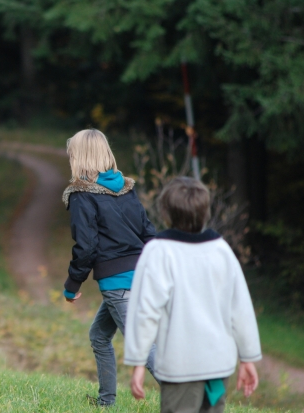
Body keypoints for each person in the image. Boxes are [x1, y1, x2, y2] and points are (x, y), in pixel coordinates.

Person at [125, 176, 261, 412]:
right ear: (206, 212)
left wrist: (137, 361)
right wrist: (247, 357)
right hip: (218, 365)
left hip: (180, 368)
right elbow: (240, 308)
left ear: (165, 212)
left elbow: (144, 311)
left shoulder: (158, 251)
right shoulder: (221, 250)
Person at [62, 129, 159, 406]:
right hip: (140, 276)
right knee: (99, 336)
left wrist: (72, 285)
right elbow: (149, 234)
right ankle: (106, 402)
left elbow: (86, 247)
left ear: (79, 157)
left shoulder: (82, 195)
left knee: (143, 346)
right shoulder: (125, 188)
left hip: (118, 283)